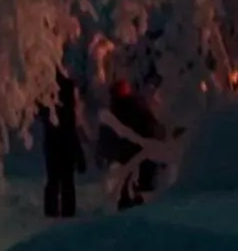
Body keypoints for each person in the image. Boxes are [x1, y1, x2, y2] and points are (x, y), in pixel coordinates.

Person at [98, 80, 164, 210]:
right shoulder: (140, 107)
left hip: (127, 156)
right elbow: (153, 128)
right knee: (140, 187)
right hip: (141, 154)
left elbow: (107, 137)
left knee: (128, 188)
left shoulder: (116, 110)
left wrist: (105, 154)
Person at [39, 71, 85, 218]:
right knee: (65, 182)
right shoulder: (65, 109)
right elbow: (70, 132)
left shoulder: (50, 106)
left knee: (55, 180)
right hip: (64, 148)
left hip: (54, 147)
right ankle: (66, 214)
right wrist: (78, 154)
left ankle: (52, 213)